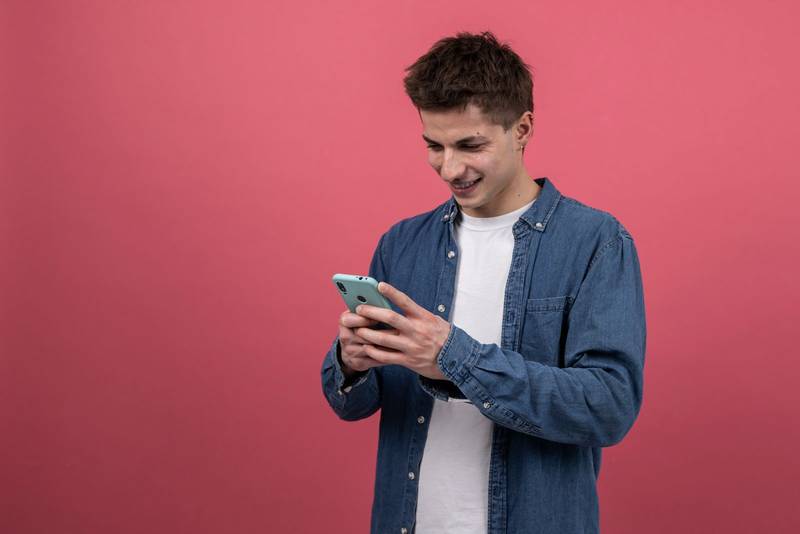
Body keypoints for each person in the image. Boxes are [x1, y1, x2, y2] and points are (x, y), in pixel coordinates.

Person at [320, 30, 647, 534]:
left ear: (522, 128)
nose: (450, 168)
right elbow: (354, 404)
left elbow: (608, 407)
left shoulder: (595, 241)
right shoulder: (403, 242)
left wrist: (452, 356)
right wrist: (351, 362)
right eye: (434, 145)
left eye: (471, 145)